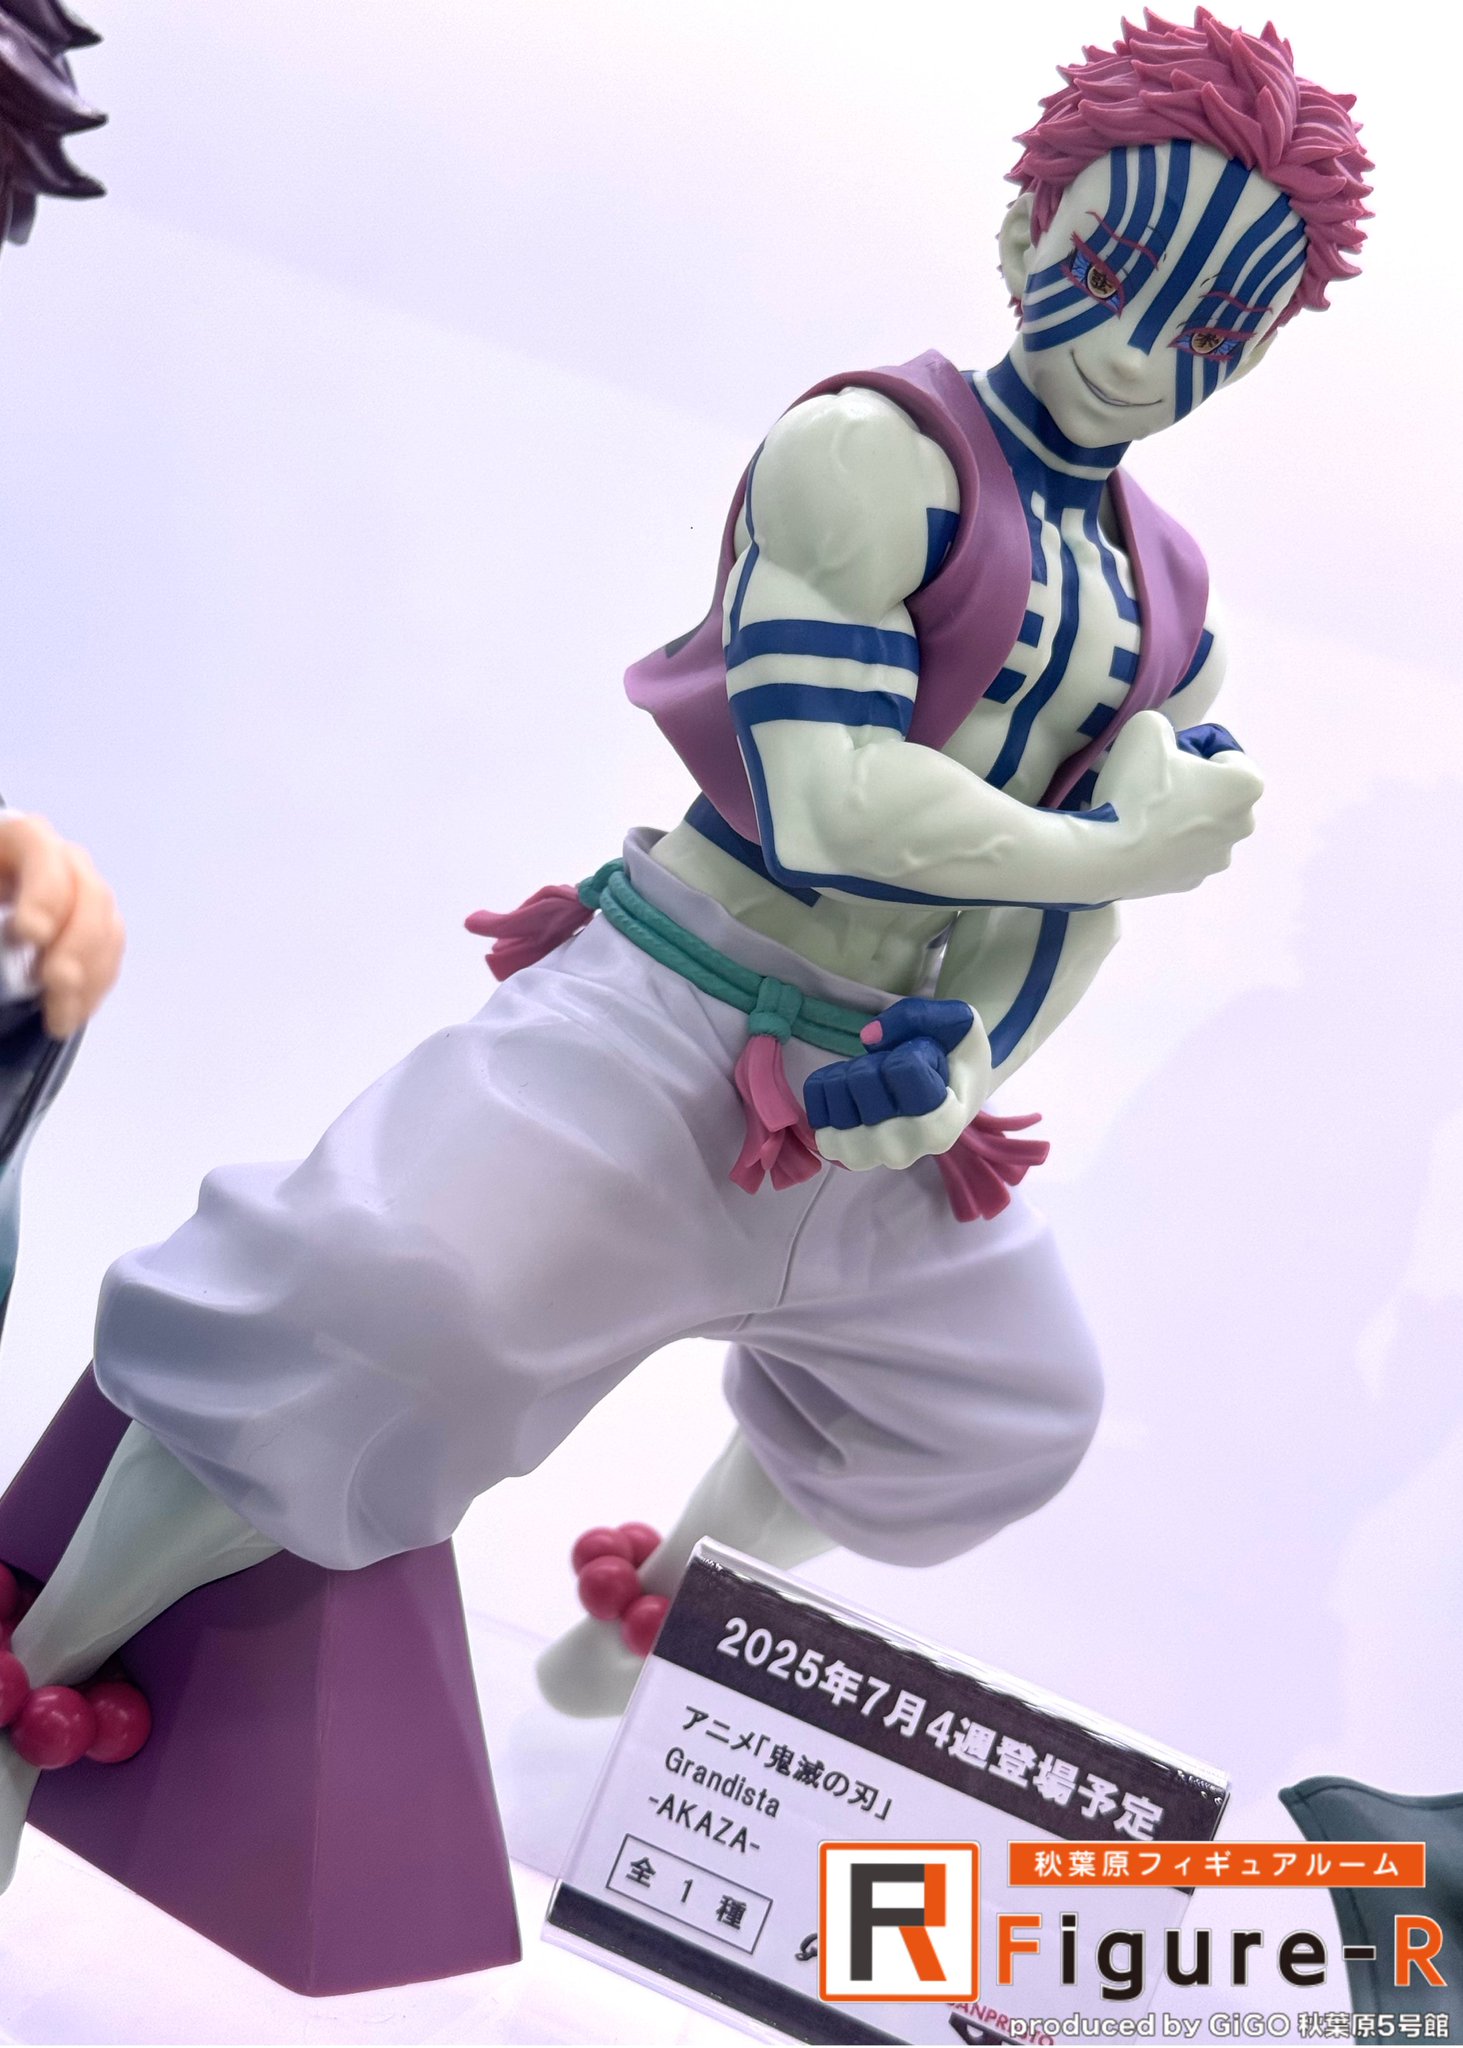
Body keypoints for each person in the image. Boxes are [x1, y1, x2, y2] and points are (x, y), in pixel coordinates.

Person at [0, 10, 1370, 1878]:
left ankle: (663, 1599)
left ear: (1259, 349)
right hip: (670, 1002)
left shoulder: (1171, 598)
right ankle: (38, 1683)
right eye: (1113, 273)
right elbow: (833, 797)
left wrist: (965, 1058)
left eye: (1207, 328)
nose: (1139, 354)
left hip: (875, 1087)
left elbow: (1067, 923)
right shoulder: (868, 454)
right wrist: (1120, 846)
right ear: (1023, 228)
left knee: (1002, 1410)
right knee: (369, 1302)